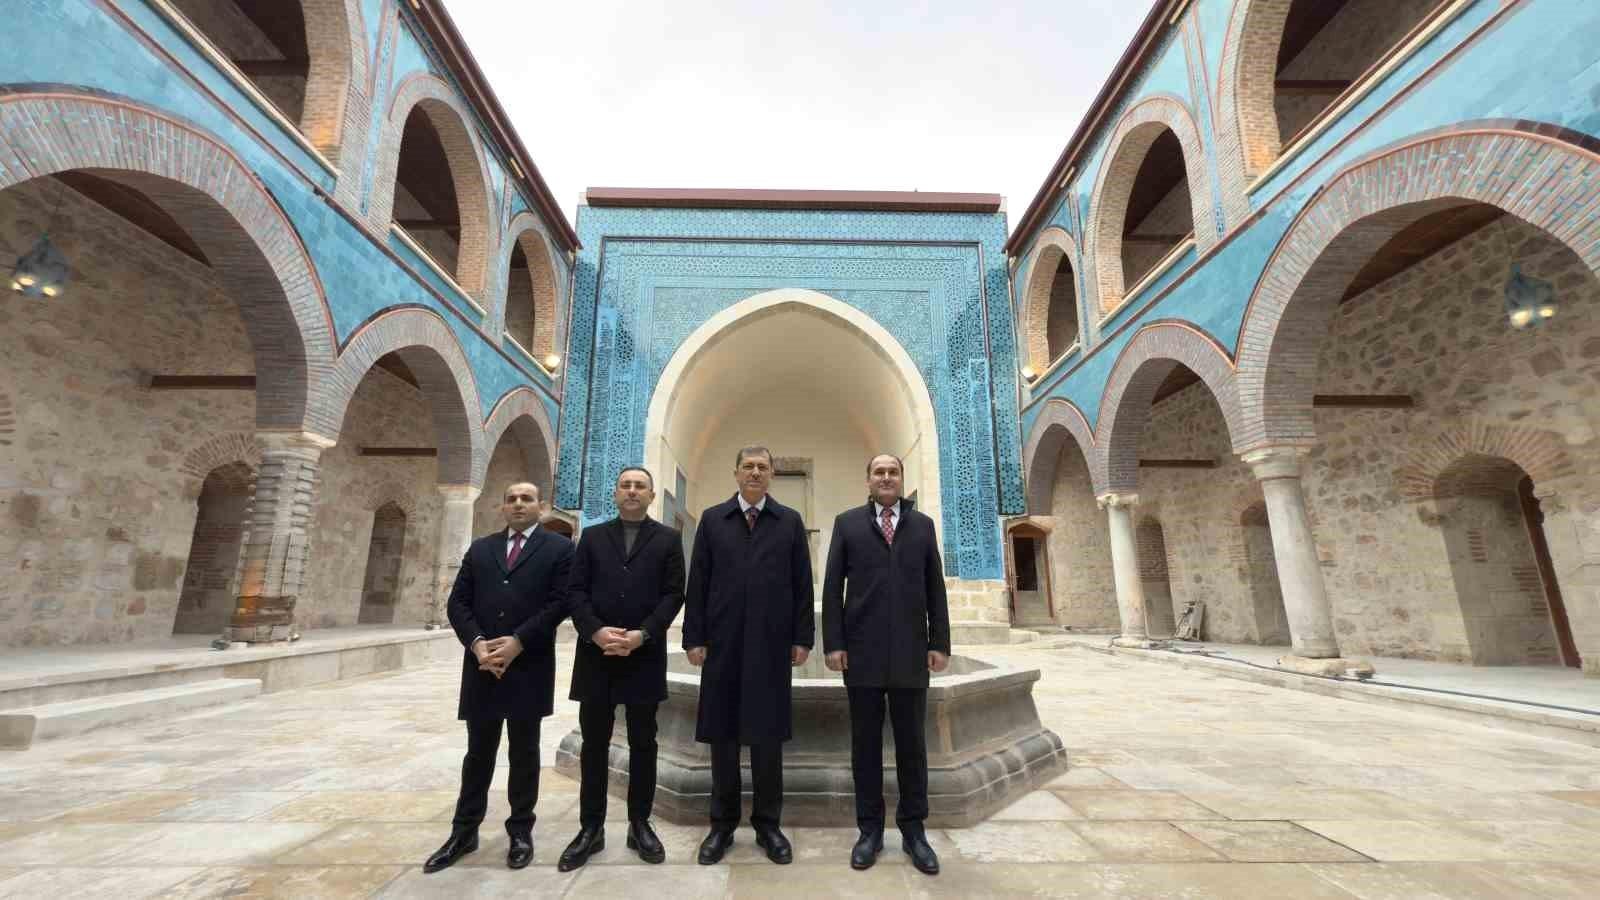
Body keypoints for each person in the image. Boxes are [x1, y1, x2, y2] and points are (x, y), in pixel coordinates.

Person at [425, 482, 574, 874]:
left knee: (524, 753)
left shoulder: (559, 549)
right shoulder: (481, 548)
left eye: (527, 498)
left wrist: (518, 642)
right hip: (482, 666)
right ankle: (464, 830)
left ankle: (520, 831)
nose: (519, 504)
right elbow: (458, 602)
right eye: (512, 499)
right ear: (502, 507)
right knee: (478, 754)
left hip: (528, 664)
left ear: (541, 507)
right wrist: (477, 644)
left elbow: (560, 602)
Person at [683, 445, 814, 865]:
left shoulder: (789, 522)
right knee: (722, 739)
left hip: (771, 645)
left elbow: (802, 584)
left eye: (762, 467)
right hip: (722, 645)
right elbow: (698, 582)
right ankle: (721, 826)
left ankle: (767, 825)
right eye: (748, 467)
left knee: (767, 739)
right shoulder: (712, 520)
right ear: (736, 473)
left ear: (772, 474)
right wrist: (694, 637)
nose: (755, 473)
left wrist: (802, 638)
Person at [821, 454, 950, 875]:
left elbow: (935, 588)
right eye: (879, 472)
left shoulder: (922, 526)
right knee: (865, 747)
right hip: (861, 655)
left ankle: (914, 831)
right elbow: (832, 588)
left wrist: (939, 643)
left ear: (901, 479)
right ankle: (870, 831)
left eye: (893, 472)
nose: (886, 478)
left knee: (913, 746)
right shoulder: (848, 524)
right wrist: (834, 644)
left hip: (912, 653)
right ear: (868, 480)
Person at [558, 466, 686, 871]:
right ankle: (590, 827)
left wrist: (642, 635)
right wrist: (595, 632)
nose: (632, 492)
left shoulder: (667, 539)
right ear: (616, 494)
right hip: (596, 656)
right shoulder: (593, 538)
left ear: (651, 496)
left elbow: (672, 594)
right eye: (626, 485)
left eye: (640, 486)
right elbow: (574, 591)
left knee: (643, 743)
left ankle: (639, 823)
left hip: (643, 657)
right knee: (594, 744)